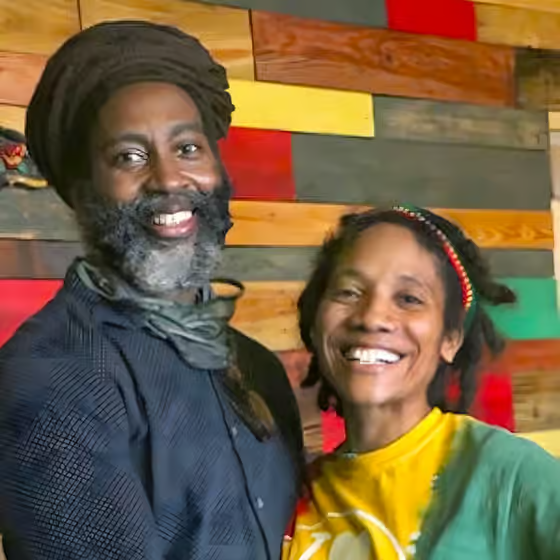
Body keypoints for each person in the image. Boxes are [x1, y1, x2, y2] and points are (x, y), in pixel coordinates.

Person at [0, 21, 302, 560]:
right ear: (81, 189)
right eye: (129, 157)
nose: (168, 179)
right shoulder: (52, 378)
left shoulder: (258, 369)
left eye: (187, 148)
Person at [282, 205, 560, 560]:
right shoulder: (288, 496)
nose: (372, 317)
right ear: (316, 320)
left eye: (409, 299)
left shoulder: (508, 474)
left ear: (451, 339)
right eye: (349, 292)